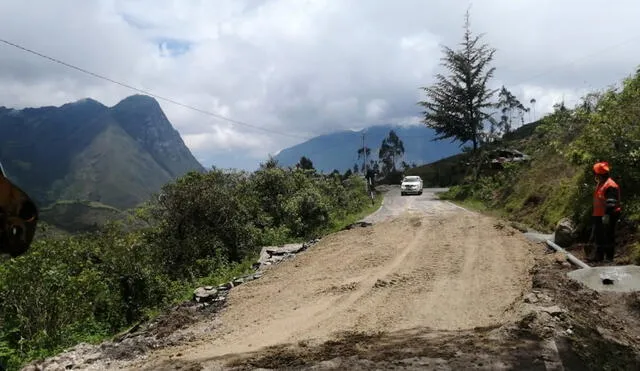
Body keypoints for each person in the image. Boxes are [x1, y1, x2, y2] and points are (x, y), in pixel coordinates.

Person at [591, 161, 622, 262]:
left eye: (596, 173)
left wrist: (607, 215)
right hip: (599, 214)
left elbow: (611, 202)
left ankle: (609, 259)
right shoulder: (601, 183)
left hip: (608, 215)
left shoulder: (610, 185)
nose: (595, 175)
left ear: (600, 174)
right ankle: (598, 257)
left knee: (608, 236)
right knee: (599, 236)